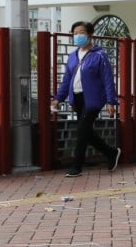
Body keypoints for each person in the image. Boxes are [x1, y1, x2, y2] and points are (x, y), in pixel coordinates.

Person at [51, 21, 121, 177]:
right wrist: (58, 98)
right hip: (77, 98)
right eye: (75, 33)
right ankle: (111, 153)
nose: (78, 36)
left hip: (93, 99)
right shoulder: (72, 56)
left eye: (81, 32)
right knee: (86, 131)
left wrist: (111, 101)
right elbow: (67, 80)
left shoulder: (99, 55)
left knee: (82, 130)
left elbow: (107, 79)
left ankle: (76, 166)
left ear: (90, 35)